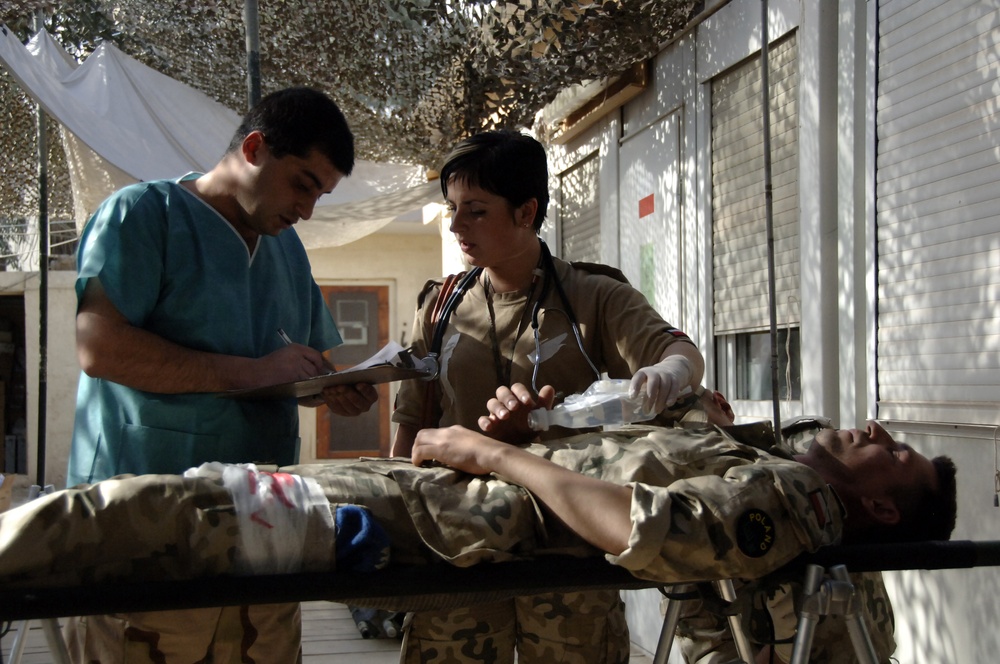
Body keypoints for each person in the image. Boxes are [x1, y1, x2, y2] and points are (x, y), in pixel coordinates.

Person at [65, 87, 378, 663]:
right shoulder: (144, 214)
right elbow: (100, 348)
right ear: (254, 148)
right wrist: (251, 373)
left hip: (262, 535)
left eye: (322, 196)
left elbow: (292, 364)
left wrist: (327, 388)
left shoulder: (288, 254)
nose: (307, 211)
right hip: (143, 530)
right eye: (303, 184)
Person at [390, 129, 706, 663]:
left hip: (565, 542)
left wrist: (667, 374)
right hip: (458, 541)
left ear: (525, 211)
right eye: (453, 208)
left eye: (476, 210)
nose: (456, 225)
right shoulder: (441, 308)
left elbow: (679, 352)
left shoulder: (591, 296)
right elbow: (408, 428)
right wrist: (397, 530)